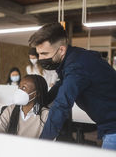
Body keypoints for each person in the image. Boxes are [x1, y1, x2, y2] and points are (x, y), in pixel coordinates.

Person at [28, 22, 116, 150]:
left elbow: (62, 104)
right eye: (39, 54)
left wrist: (41, 145)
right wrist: (43, 102)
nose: (41, 59)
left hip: (113, 126)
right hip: (109, 124)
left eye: (45, 54)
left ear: (62, 50)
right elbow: (61, 83)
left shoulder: (77, 67)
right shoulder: (74, 58)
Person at [0, 74, 50, 157]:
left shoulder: (46, 115)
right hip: (10, 154)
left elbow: (48, 144)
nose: (19, 91)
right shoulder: (11, 109)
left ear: (36, 94)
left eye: (24, 88)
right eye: (19, 87)